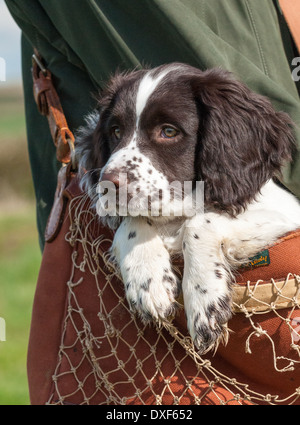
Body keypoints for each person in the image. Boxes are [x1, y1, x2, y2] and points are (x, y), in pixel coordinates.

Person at [5, 0, 300, 250]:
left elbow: (240, 155)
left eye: (167, 131)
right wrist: (133, 233)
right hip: (108, 241)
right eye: (116, 133)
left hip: (258, 211)